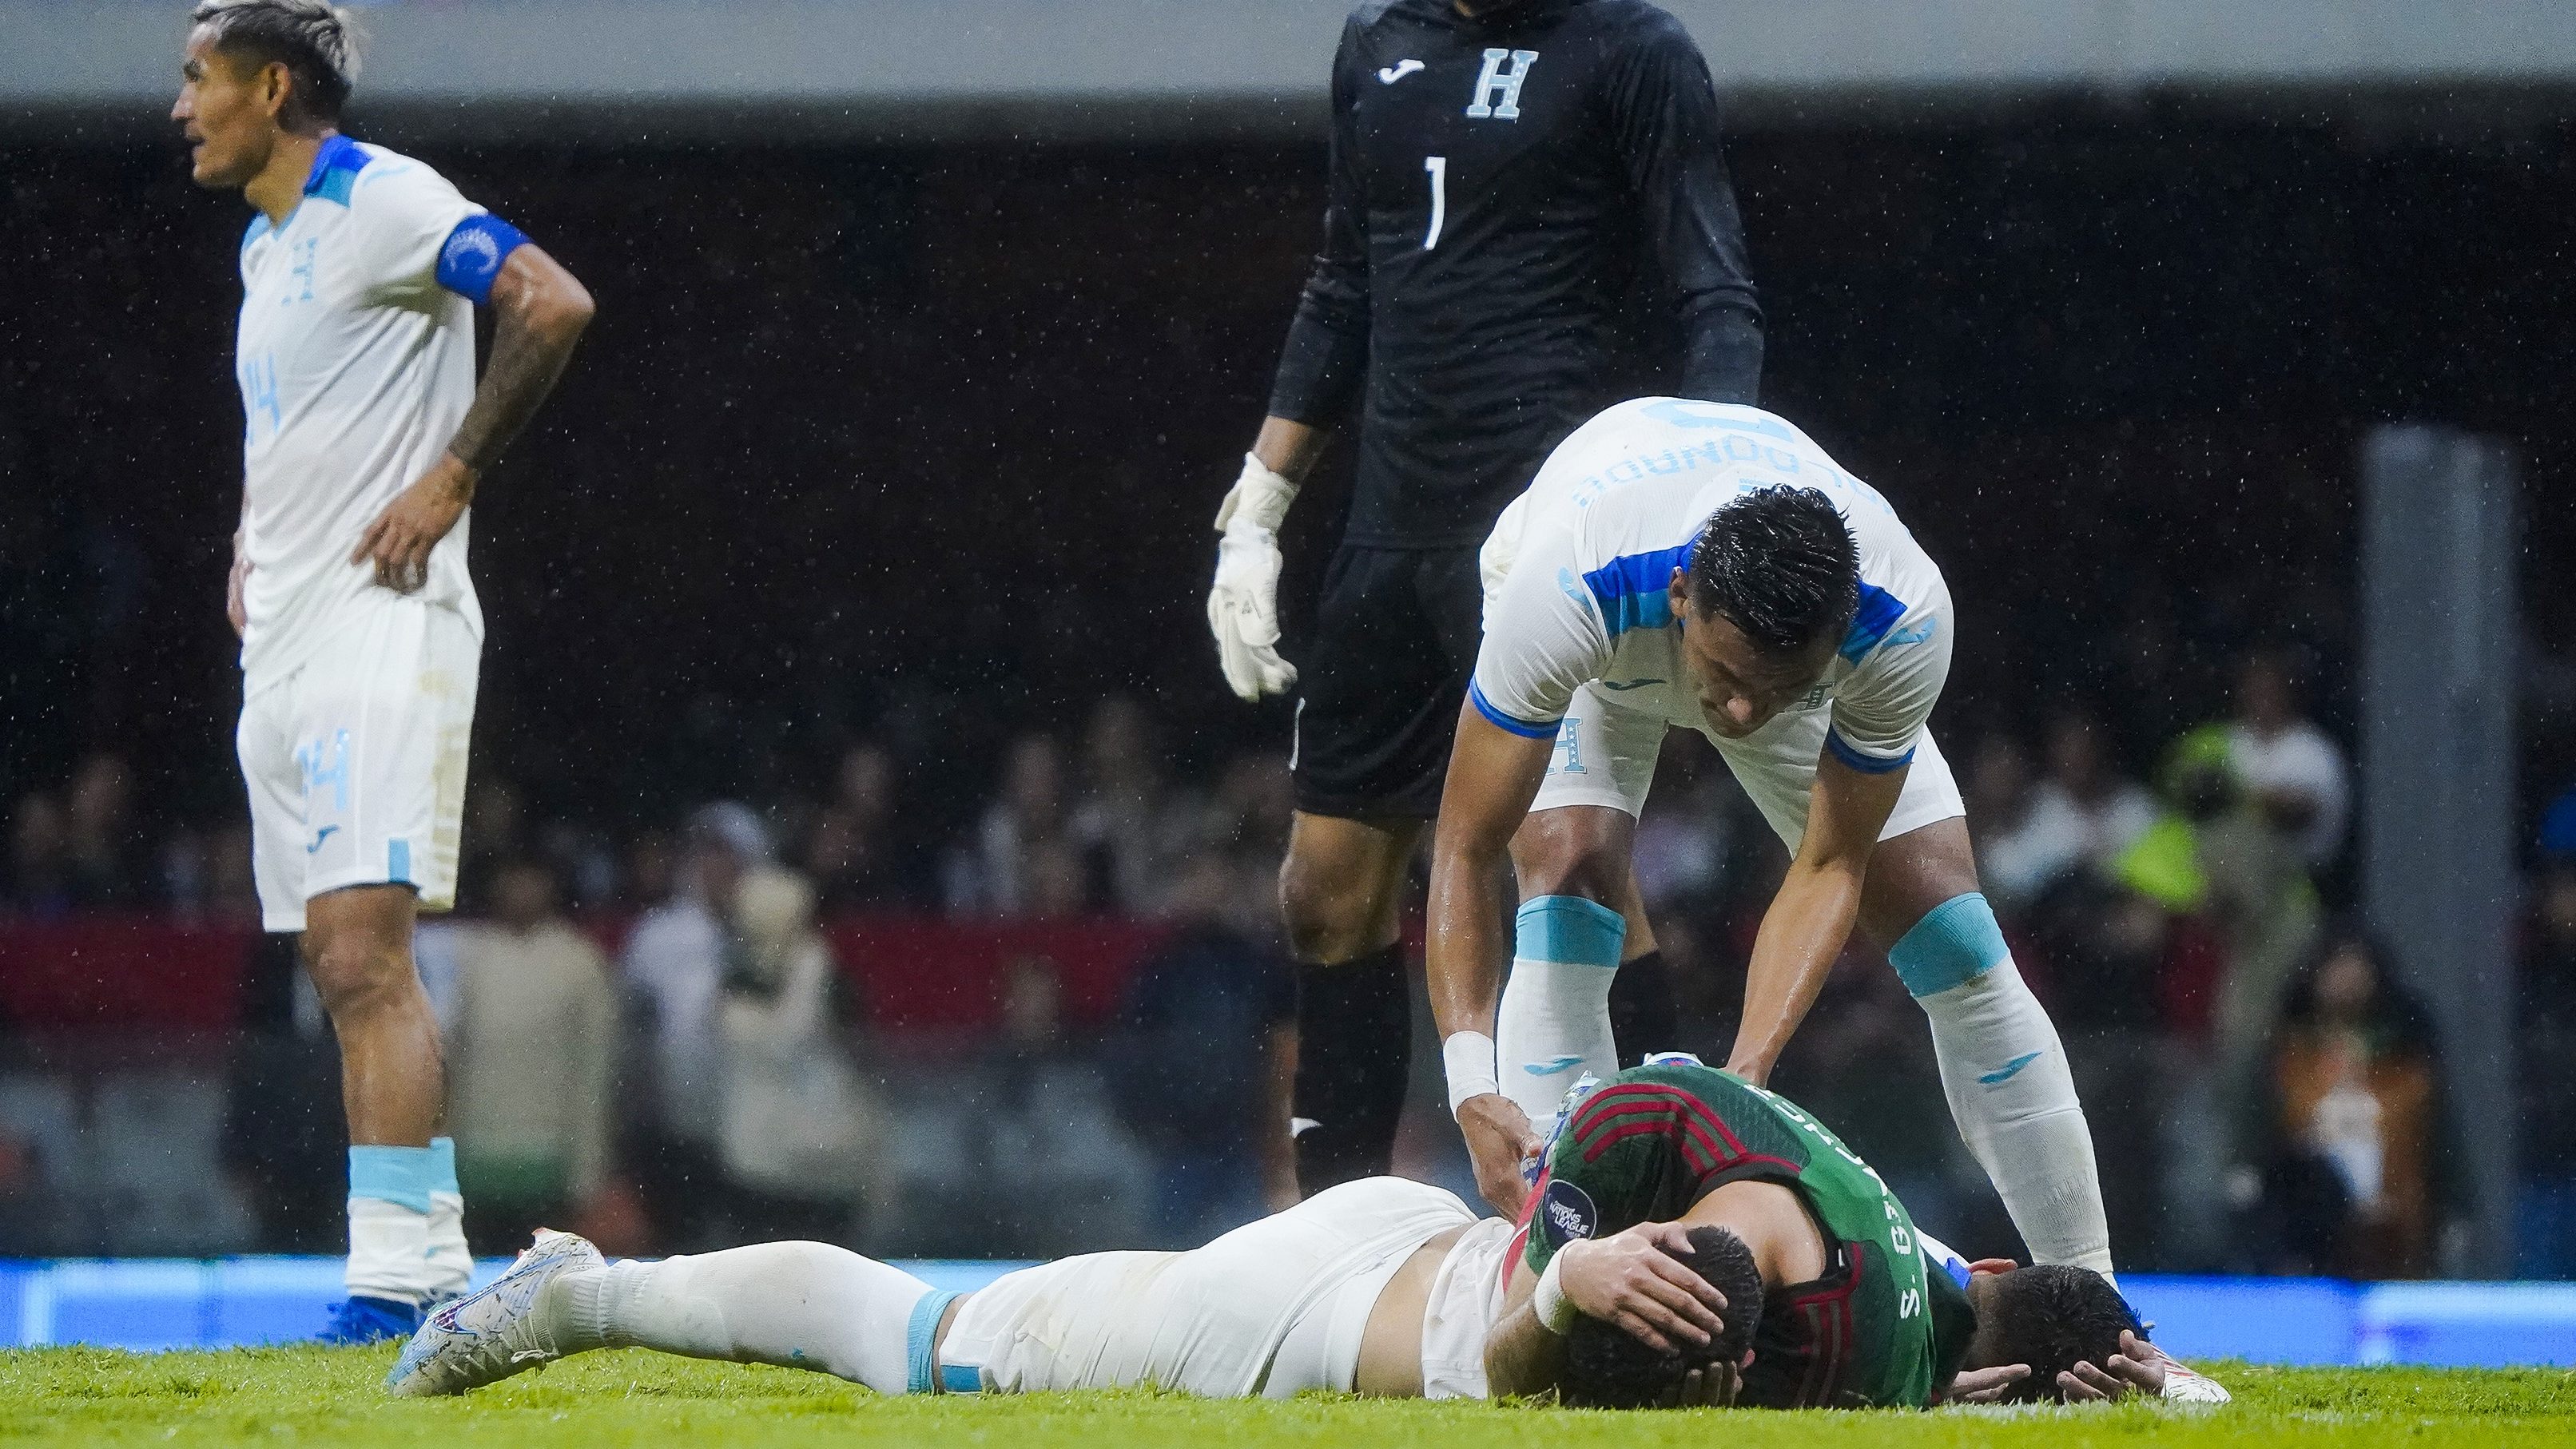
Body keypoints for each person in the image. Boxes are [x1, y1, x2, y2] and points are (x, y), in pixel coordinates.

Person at [1205, 0, 1763, 1196]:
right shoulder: (1376, 46)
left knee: (1567, 856)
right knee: (1324, 894)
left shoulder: (1630, 50)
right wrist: (1257, 507)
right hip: (1388, 538)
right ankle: (1343, 1246)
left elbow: (1716, 294)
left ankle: (1687, 1199)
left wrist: (1714, 502)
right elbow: (1342, 282)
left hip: (1549, 531)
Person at [1425, 399, 2116, 1297]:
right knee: (1569, 883)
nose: (1738, 716)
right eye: (1725, 678)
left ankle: (2099, 1312)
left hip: (1756, 647)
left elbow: (1830, 861)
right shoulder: (1565, 585)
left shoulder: (1899, 616)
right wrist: (1469, 1084)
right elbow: (1463, 845)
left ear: (1834, 640)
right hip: (1607, 627)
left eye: (1772, 686)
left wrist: (1743, 1075)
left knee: (1956, 939)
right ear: (1682, 598)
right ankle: (1558, 1289)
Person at [385, 1064, 2181, 1409]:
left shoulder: (1905, 1303)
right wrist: (1561, 1267)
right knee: (924, 1346)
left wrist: (2142, 1377)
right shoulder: (1837, 1271)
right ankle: (579, 1290)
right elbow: (1523, 1348)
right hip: (1313, 1309)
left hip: (1409, 1252)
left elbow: (2041, 1331)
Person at [174, 0, 595, 1340]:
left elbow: (551, 299)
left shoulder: (385, 197)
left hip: (384, 622)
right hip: (290, 636)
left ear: (272, 84)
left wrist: (451, 476)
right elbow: (300, 422)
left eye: (198, 78)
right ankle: (413, 1276)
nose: (181, 106)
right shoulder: (262, 246)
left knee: (369, 954)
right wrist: (251, 538)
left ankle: (396, 1281)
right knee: (337, 968)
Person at [443, 859, 618, 1256]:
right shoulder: (474, 957)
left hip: (549, 1155)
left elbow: (594, 1069)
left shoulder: (580, 961)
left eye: (531, 880)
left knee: (540, 1282)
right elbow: (453, 1059)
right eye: (511, 880)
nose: (521, 892)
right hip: (478, 1152)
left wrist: (588, 1165)